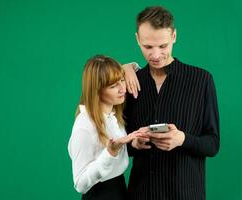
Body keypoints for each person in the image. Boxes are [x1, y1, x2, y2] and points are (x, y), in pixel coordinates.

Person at [122, 6, 220, 200]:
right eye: (148, 47)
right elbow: (118, 143)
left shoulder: (201, 80)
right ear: (137, 40)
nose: (156, 55)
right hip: (140, 194)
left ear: (174, 36)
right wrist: (134, 143)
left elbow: (213, 144)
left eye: (163, 46)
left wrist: (183, 139)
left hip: (186, 194)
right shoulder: (129, 83)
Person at [68, 55, 146, 200]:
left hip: (120, 189)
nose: (123, 88)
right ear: (97, 90)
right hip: (100, 195)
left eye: (122, 80)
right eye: (113, 86)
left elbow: (139, 71)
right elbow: (80, 184)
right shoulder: (84, 126)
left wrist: (128, 66)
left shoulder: (113, 115)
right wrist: (110, 152)